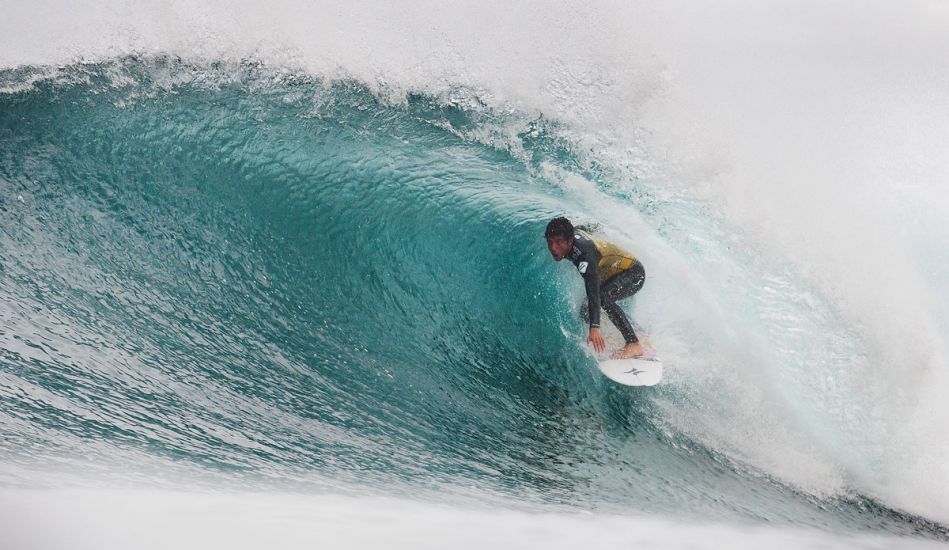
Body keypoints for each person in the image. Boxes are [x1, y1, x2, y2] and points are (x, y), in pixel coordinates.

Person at [545, 217, 646, 359]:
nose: (553, 248)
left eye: (558, 243)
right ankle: (625, 327)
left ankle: (633, 343)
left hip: (634, 273)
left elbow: (593, 292)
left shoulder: (585, 257)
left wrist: (594, 327)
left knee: (603, 299)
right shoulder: (571, 234)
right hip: (613, 274)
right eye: (549, 242)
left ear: (569, 241)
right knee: (585, 310)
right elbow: (585, 228)